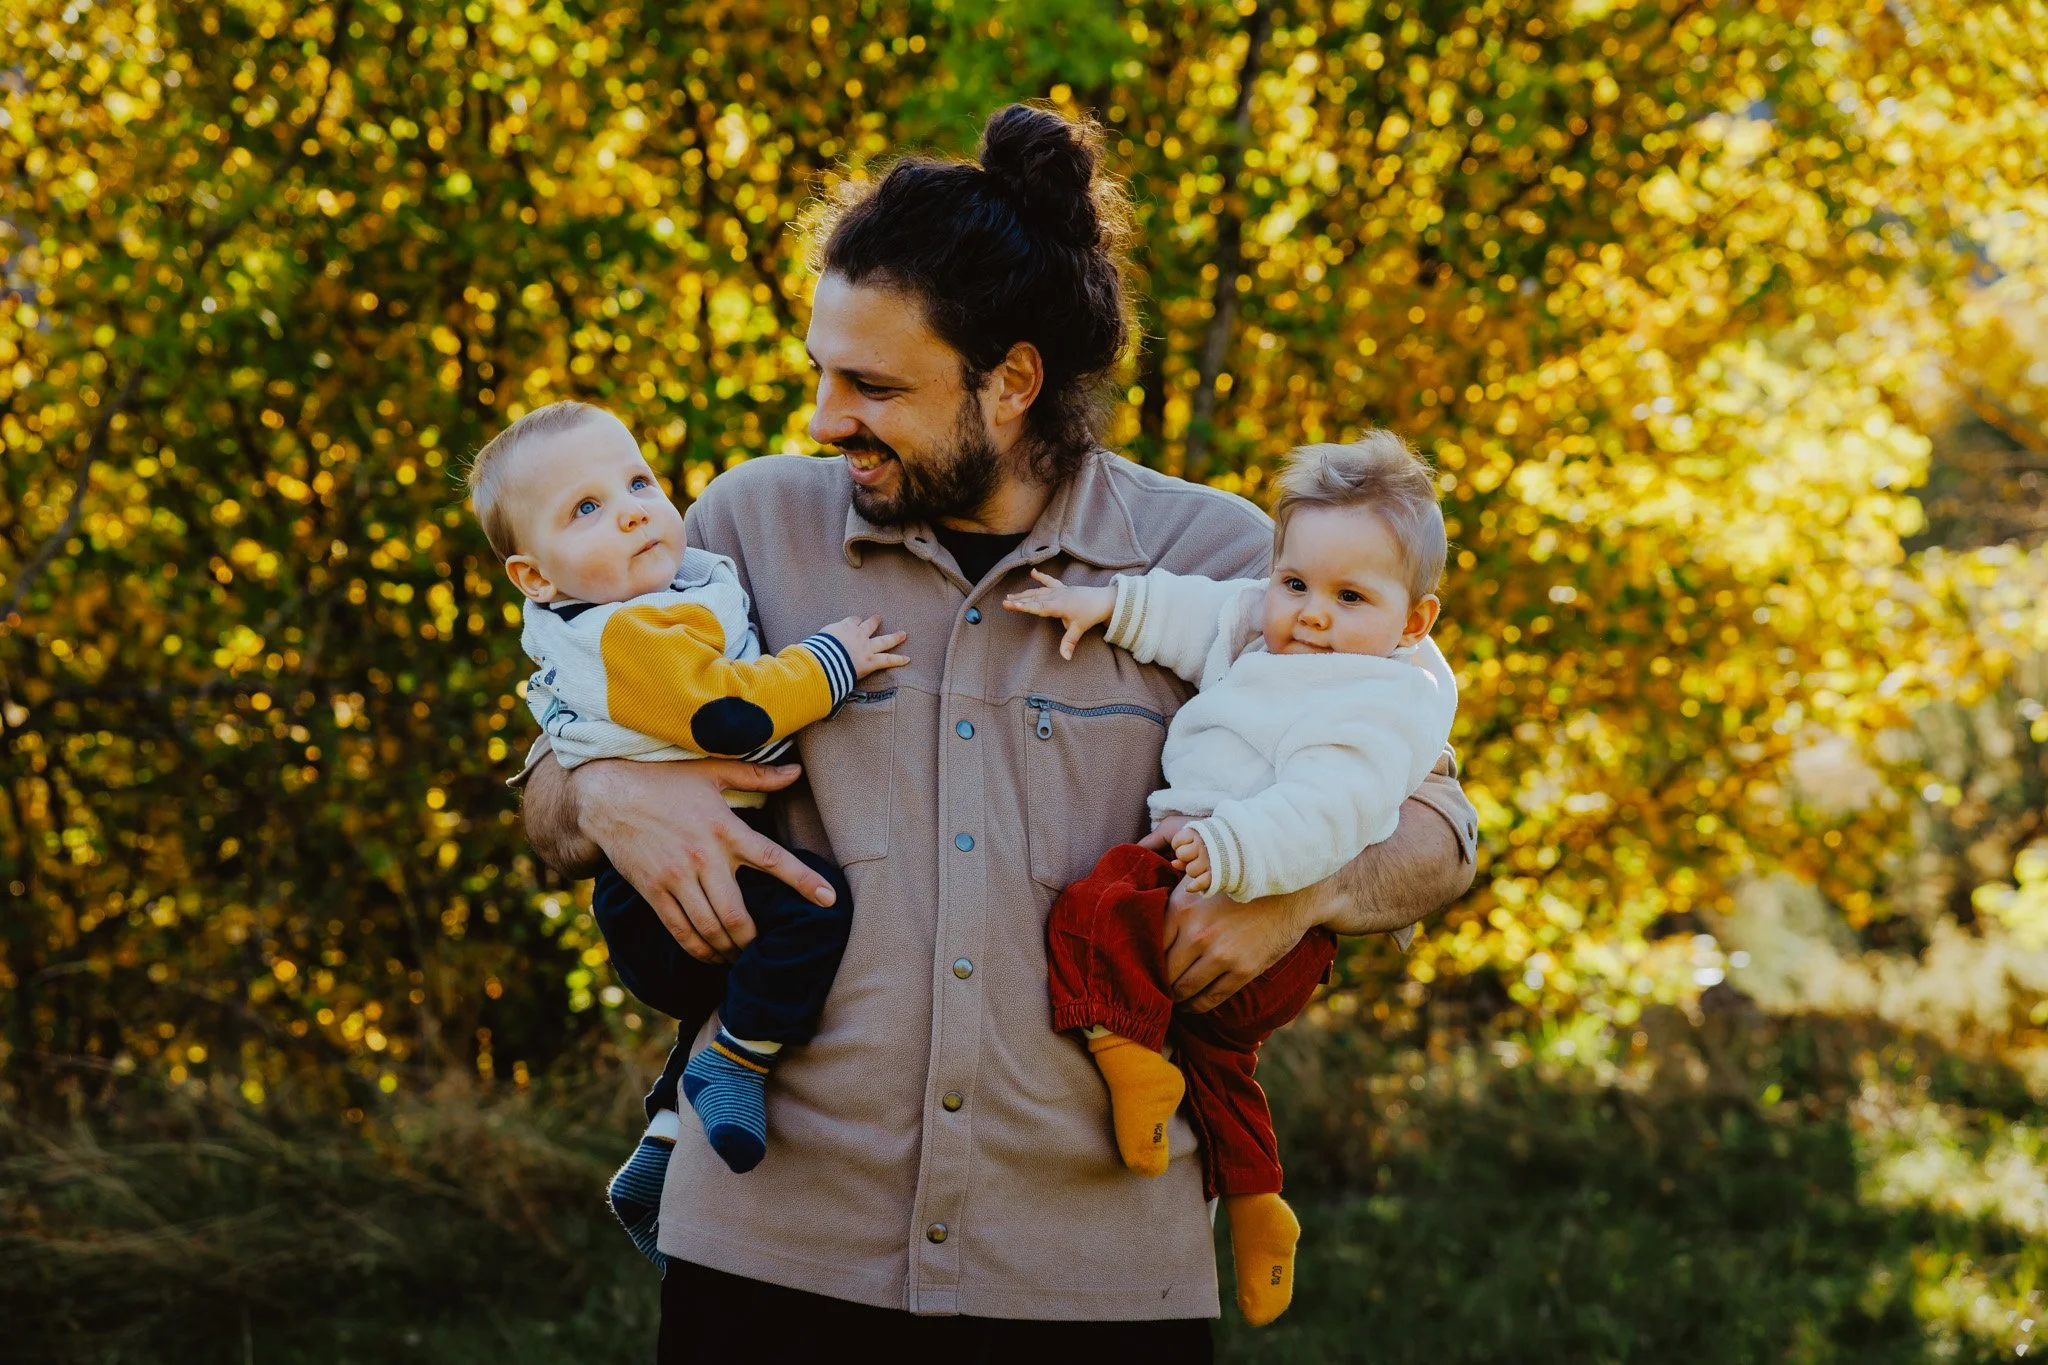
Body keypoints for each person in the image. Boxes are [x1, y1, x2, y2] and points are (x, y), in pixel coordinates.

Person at [519, 103, 1478, 1362]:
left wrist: (1295, 898)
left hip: (1095, 1287)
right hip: (769, 1258)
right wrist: (601, 800)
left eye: (871, 386)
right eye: (819, 372)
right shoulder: (748, 525)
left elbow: (1440, 829)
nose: (822, 418)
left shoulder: (1227, 563)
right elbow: (556, 766)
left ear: (1010, 380)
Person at [1004, 432, 1457, 1325]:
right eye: (1295, 586)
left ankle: (1126, 1051)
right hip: (1221, 878)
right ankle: (1255, 1202)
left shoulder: (1374, 703)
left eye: (1349, 597)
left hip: (1254, 891)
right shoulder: (1268, 631)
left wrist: (1237, 852)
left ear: (1413, 623)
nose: (1310, 616)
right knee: (1223, 1067)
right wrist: (1107, 605)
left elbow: (1334, 805)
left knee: (1091, 911)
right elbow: (1200, 614)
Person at [467, 399, 908, 1262]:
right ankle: (734, 1065)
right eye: (585, 509)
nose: (631, 508)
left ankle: (666, 1132)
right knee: (811, 908)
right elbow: (731, 715)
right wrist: (832, 663)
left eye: (638, 481)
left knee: (735, 973)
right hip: (649, 884)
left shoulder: (646, 600)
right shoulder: (631, 630)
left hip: (656, 885)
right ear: (535, 577)